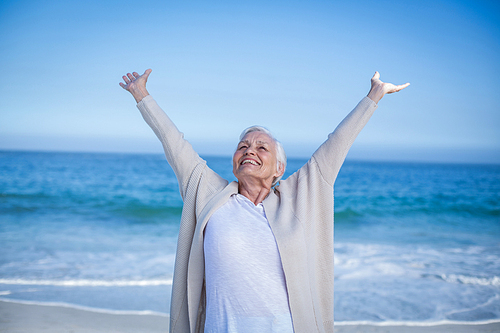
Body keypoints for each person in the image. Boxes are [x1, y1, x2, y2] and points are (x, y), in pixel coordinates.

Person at [120, 69, 409, 333]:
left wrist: (374, 95)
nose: (250, 150)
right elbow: (175, 143)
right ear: (234, 162)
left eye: (262, 147)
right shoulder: (208, 193)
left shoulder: (300, 195)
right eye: (243, 146)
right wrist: (141, 95)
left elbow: (337, 143)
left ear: (279, 169)